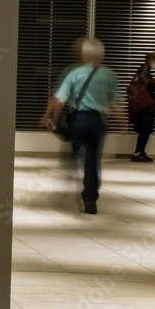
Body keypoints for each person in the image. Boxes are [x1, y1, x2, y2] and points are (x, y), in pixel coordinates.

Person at [47, 38, 120, 215]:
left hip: (77, 119)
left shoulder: (74, 73)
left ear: (84, 55)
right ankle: (90, 199)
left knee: (75, 151)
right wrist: (123, 125)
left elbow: (61, 101)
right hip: (97, 122)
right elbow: (117, 104)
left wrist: (55, 121)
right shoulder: (109, 74)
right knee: (93, 161)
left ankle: (73, 165)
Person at [128, 51, 155, 162]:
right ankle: (138, 153)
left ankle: (140, 152)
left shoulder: (146, 69)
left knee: (147, 129)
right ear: (153, 59)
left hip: (145, 106)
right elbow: (143, 80)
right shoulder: (144, 67)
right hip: (144, 107)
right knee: (145, 128)